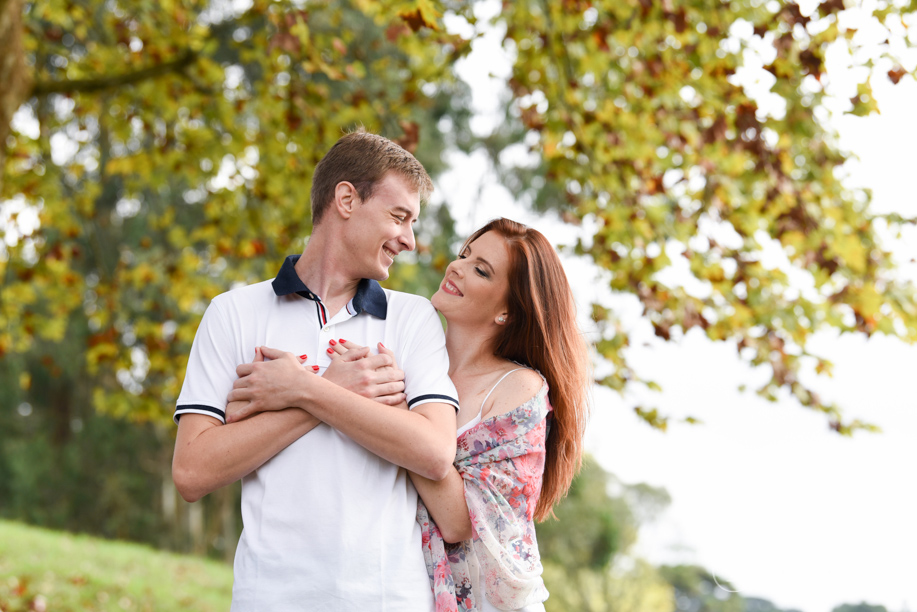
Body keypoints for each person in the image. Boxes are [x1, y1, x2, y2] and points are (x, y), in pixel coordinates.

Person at [229, 218, 590, 612]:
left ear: (508, 310)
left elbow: (457, 521)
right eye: (464, 255)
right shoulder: (411, 359)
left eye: (481, 270)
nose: (457, 267)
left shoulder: (518, 388)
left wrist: (393, 408)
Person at [171, 130, 460, 611]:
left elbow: (432, 453)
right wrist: (330, 388)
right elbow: (191, 471)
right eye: (399, 217)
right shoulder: (233, 313)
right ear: (346, 198)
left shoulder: (413, 320)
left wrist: (302, 389)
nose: (409, 240)